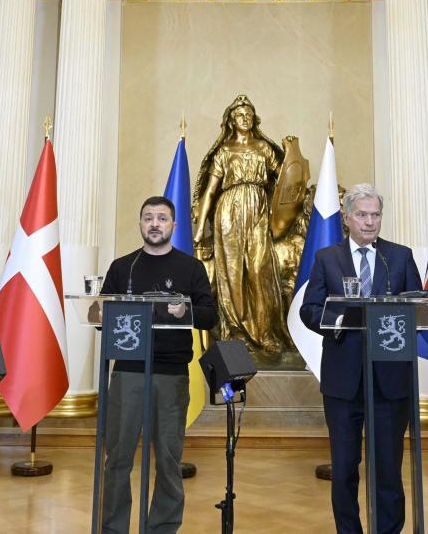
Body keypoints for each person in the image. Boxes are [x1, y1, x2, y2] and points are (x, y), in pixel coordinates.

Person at [300, 184, 422, 534]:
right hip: (343, 379)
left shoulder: (399, 256)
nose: (370, 222)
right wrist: (339, 319)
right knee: (345, 467)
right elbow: (310, 310)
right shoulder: (327, 258)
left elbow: (415, 306)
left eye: (375, 215)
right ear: (346, 218)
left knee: (387, 466)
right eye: (363, 215)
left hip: (390, 378)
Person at [99, 196, 217, 534]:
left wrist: (186, 311)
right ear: (140, 224)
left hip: (171, 373)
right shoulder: (123, 267)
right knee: (118, 458)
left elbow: (210, 315)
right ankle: (114, 527)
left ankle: (162, 527)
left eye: (162, 218)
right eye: (148, 217)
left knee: (167, 459)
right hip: (128, 371)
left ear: (173, 226)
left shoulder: (191, 268)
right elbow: (100, 314)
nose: (155, 224)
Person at [193, 94, 291, 355]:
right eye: (239, 115)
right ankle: (237, 331)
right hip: (229, 210)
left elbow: (285, 181)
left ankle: (265, 332)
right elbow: (210, 191)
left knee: (260, 270)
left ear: (254, 118)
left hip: (258, 208)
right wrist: (201, 226)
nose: (244, 118)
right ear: (231, 121)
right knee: (232, 272)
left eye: (248, 114)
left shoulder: (263, 148)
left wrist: (291, 152)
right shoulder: (224, 152)